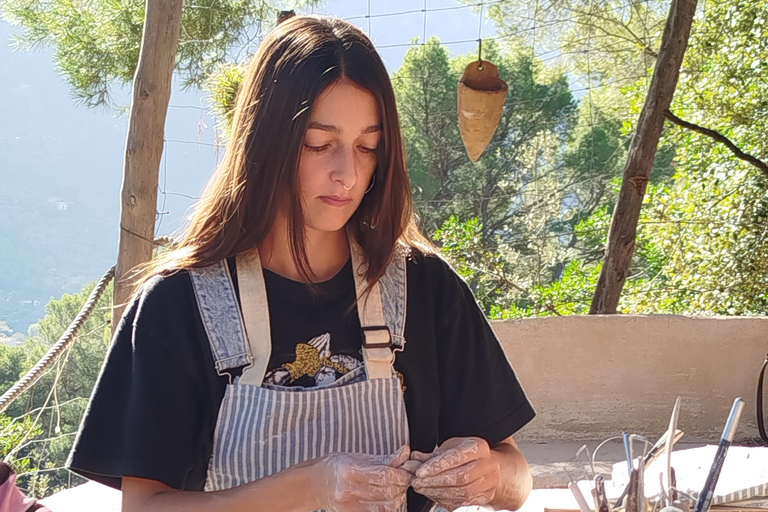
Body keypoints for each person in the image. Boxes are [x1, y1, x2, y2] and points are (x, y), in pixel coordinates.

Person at [66, 13, 536, 512]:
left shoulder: (425, 287)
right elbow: (144, 507)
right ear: (264, 142)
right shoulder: (179, 304)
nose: (347, 174)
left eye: (367, 146)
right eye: (319, 144)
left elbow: (517, 475)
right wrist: (311, 485)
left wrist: (488, 474)